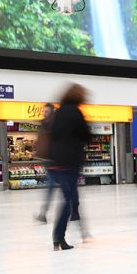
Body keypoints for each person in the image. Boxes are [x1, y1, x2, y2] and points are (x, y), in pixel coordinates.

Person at [47, 84, 91, 251]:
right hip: (69, 163)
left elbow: (53, 135)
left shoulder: (58, 112)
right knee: (68, 200)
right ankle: (58, 237)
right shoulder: (75, 112)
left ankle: (60, 237)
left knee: (67, 198)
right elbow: (86, 135)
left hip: (56, 162)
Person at [34, 103, 56, 224]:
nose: (44, 113)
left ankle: (74, 210)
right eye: (44, 111)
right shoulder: (43, 124)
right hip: (48, 161)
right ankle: (43, 213)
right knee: (50, 188)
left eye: (47, 111)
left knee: (62, 188)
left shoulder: (55, 125)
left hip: (56, 161)